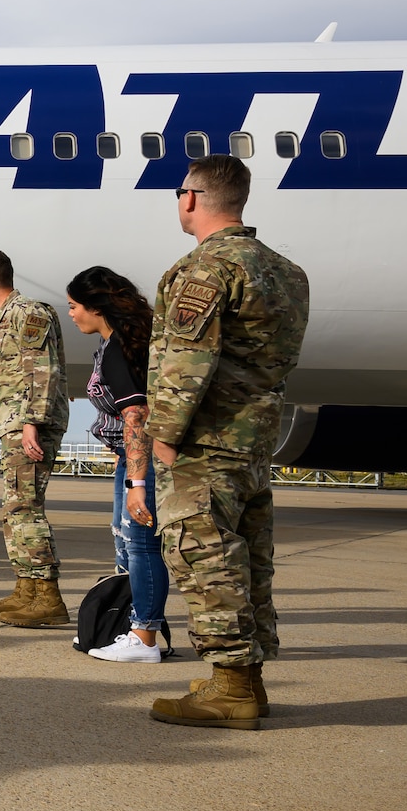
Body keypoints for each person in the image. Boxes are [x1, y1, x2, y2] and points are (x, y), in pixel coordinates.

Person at [148, 156, 309, 729]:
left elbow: (186, 363)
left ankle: (230, 688)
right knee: (249, 563)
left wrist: (163, 436)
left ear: (191, 198)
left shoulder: (205, 269)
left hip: (207, 443)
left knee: (203, 559)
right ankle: (250, 678)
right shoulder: (286, 272)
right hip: (254, 443)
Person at [66, 267, 167, 663]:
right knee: (127, 545)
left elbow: (137, 415)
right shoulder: (117, 343)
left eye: (75, 306)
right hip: (130, 458)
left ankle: (145, 637)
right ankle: (129, 627)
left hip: (143, 462)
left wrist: (136, 481)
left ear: (96, 307)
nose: (71, 314)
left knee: (142, 545)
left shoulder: (120, 348)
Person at [0, 249, 71, 627]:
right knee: (15, 509)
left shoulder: (29, 313)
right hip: (10, 421)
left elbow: (43, 369)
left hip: (29, 424)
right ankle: (26, 590)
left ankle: (48, 596)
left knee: (25, 508)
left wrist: (33, 422)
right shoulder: (1, 320)